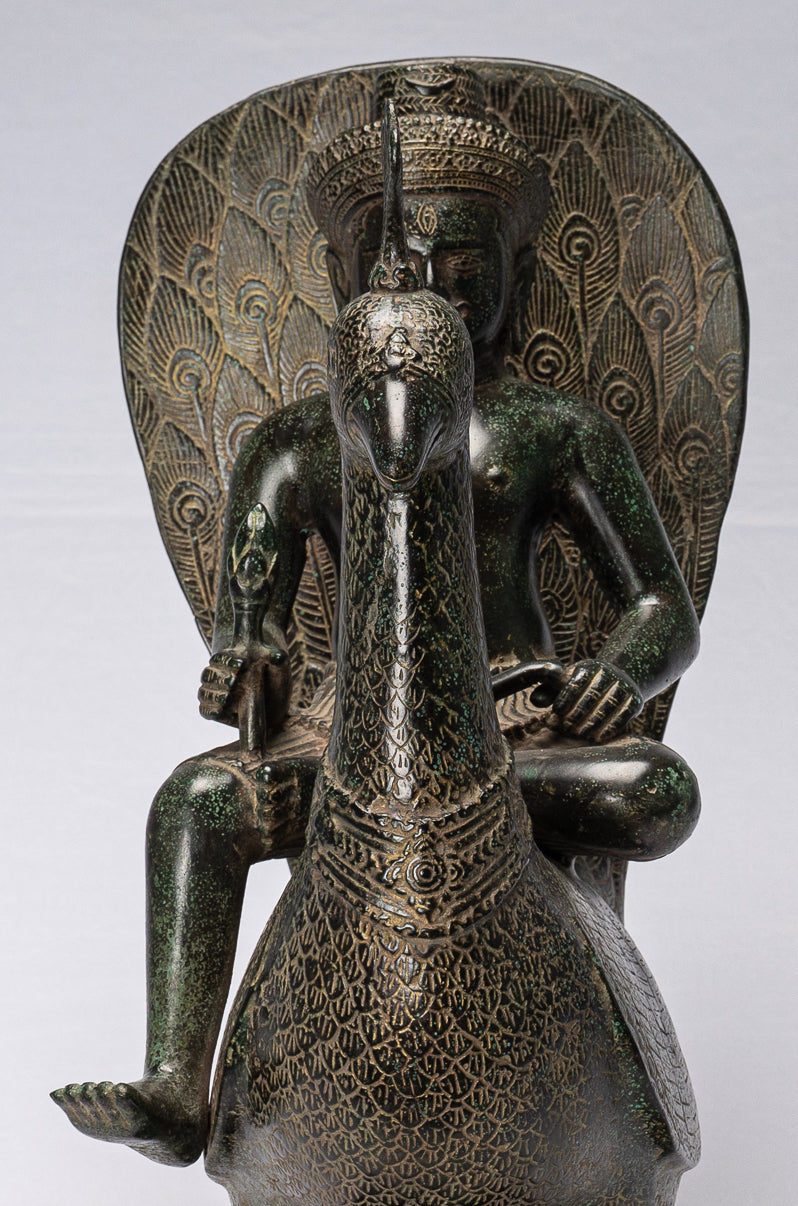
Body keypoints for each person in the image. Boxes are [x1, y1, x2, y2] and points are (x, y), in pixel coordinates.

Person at [52, 64, 700, 1168]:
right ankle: (177, 1076)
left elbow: (658, 607)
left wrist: (616, 674)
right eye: (402, 262)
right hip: (342, 737)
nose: (432, 285)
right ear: (344, 277)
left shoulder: (555, 431)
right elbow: (251, 617)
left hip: (519, 734)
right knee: (198, 801)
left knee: (657, 790)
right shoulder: (294, 446)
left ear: (518, 273)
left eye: (464, 263)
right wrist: (247, 664)